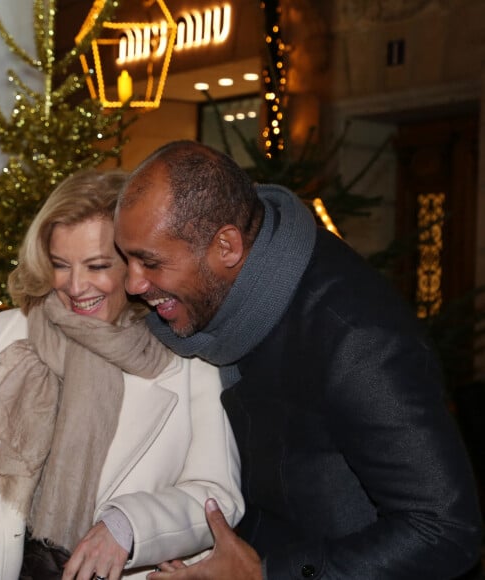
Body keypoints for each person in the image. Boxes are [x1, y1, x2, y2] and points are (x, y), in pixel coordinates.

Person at [113, 140, 484, 579]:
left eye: (150, 263)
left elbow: (445, 530)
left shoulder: (356, 339)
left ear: (227, 247)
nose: (134, 284)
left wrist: (268, 574)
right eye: (127, 259)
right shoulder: (219, 304)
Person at [0, 168, 244, 580]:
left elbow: (216, 494)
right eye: (60, 265)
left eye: (98, 265)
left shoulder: (187, 354)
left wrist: (129, 525)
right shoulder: (7, 338)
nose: (76, 286)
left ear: (134, 265)